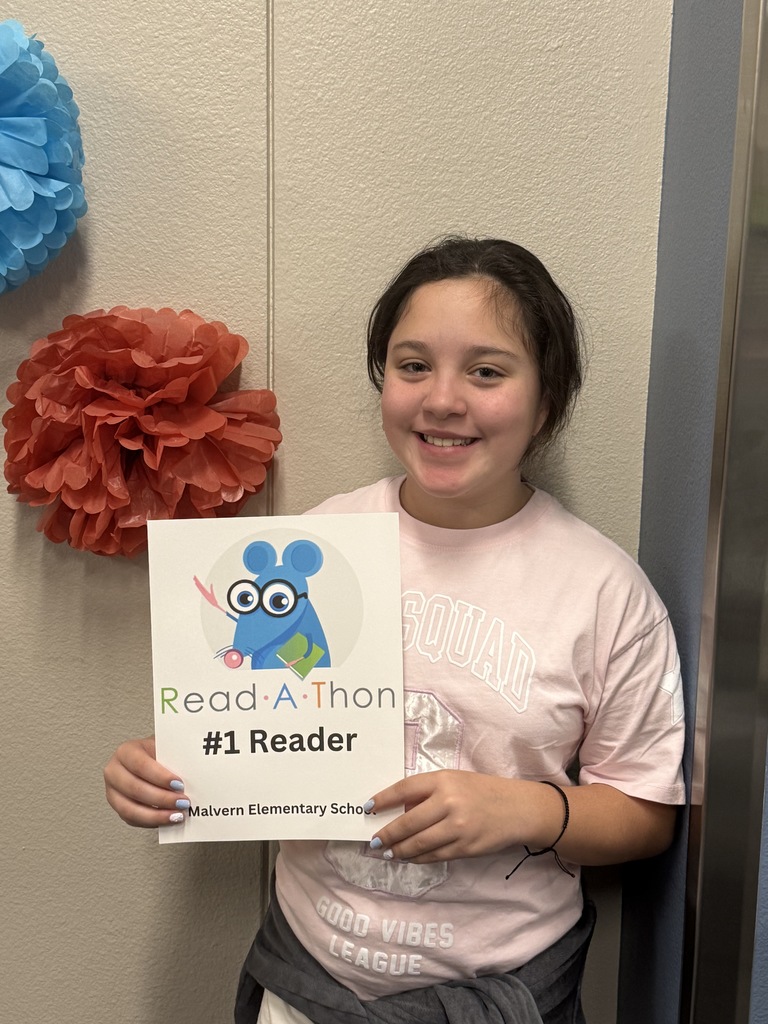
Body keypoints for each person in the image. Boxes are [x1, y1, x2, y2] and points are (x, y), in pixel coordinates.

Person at [104, 237, 686, 1024]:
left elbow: (646, 813)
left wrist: (525, 809)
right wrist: (172, 767)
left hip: (499, 996)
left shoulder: (605, 591)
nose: (442, 400)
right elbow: (256, 708)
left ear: (547, 400)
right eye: (413, 366)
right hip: (307, 986)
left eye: (487, 372)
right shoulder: (319, 546)